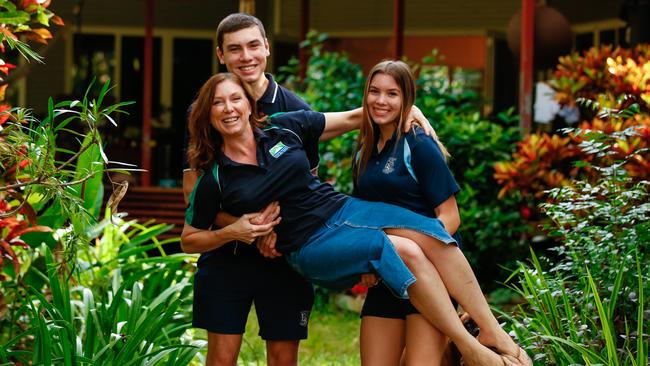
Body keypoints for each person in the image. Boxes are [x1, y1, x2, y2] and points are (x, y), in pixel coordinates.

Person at [182, 72, 532, 366]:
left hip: (341, 209)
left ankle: (491, 331)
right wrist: (234, 231)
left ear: (249, 104)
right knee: (396, 248)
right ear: (207, 115)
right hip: (308, 243)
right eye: (218, 103)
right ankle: (470, 349)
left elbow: (356, 116)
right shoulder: (214, 175)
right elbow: (190, 237)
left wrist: (411, 108)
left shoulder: (283, 128)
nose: (229, 108)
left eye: (235, 99)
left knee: (426, 234)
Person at [181, 14, 434, 366]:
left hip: (285, 258)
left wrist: (407, 107)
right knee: (221, 357)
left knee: (284, 358)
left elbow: (307, 186)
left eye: (254, 45)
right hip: (229, 258)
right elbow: (195, 196)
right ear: (221, 55)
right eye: (235, 49)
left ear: (267, 48)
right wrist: (250, 231)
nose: (246, 56)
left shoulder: (294, 110)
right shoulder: (209, 112)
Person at [353, 60, 462, 365]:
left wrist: (416, 254)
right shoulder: (364, 148)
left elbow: (450, 217)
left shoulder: (419, 144)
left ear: (406, 100)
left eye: (392, 94)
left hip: (430, 278)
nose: (381, 101)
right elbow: (363, 216)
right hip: (387, 274)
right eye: (374, 92)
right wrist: (367, 261)